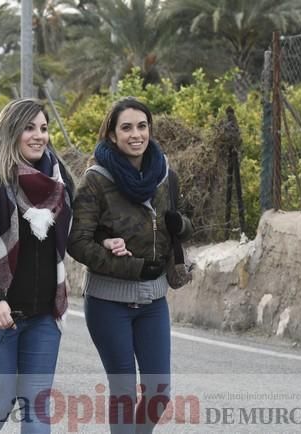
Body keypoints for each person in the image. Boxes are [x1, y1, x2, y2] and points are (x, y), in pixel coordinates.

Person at [67, 97, 193, 433]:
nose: (135, 134)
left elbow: (178, 227)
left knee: (158, 394)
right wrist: (132, 267)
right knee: (123, 393)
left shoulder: (166, 174)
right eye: (126, 128)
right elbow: (77, 241)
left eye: (142, 126)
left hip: (153, 301)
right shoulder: (96, 179)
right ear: (111, 134)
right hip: (109, 301)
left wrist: (182, 225)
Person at [0, 98, 74, 433]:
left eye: (44, 128)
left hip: (43, 315)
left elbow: (74, 233)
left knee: (37, 411)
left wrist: (109, 240)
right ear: (11, 131)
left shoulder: (58, 180)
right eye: (29, 128)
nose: (39, 136)